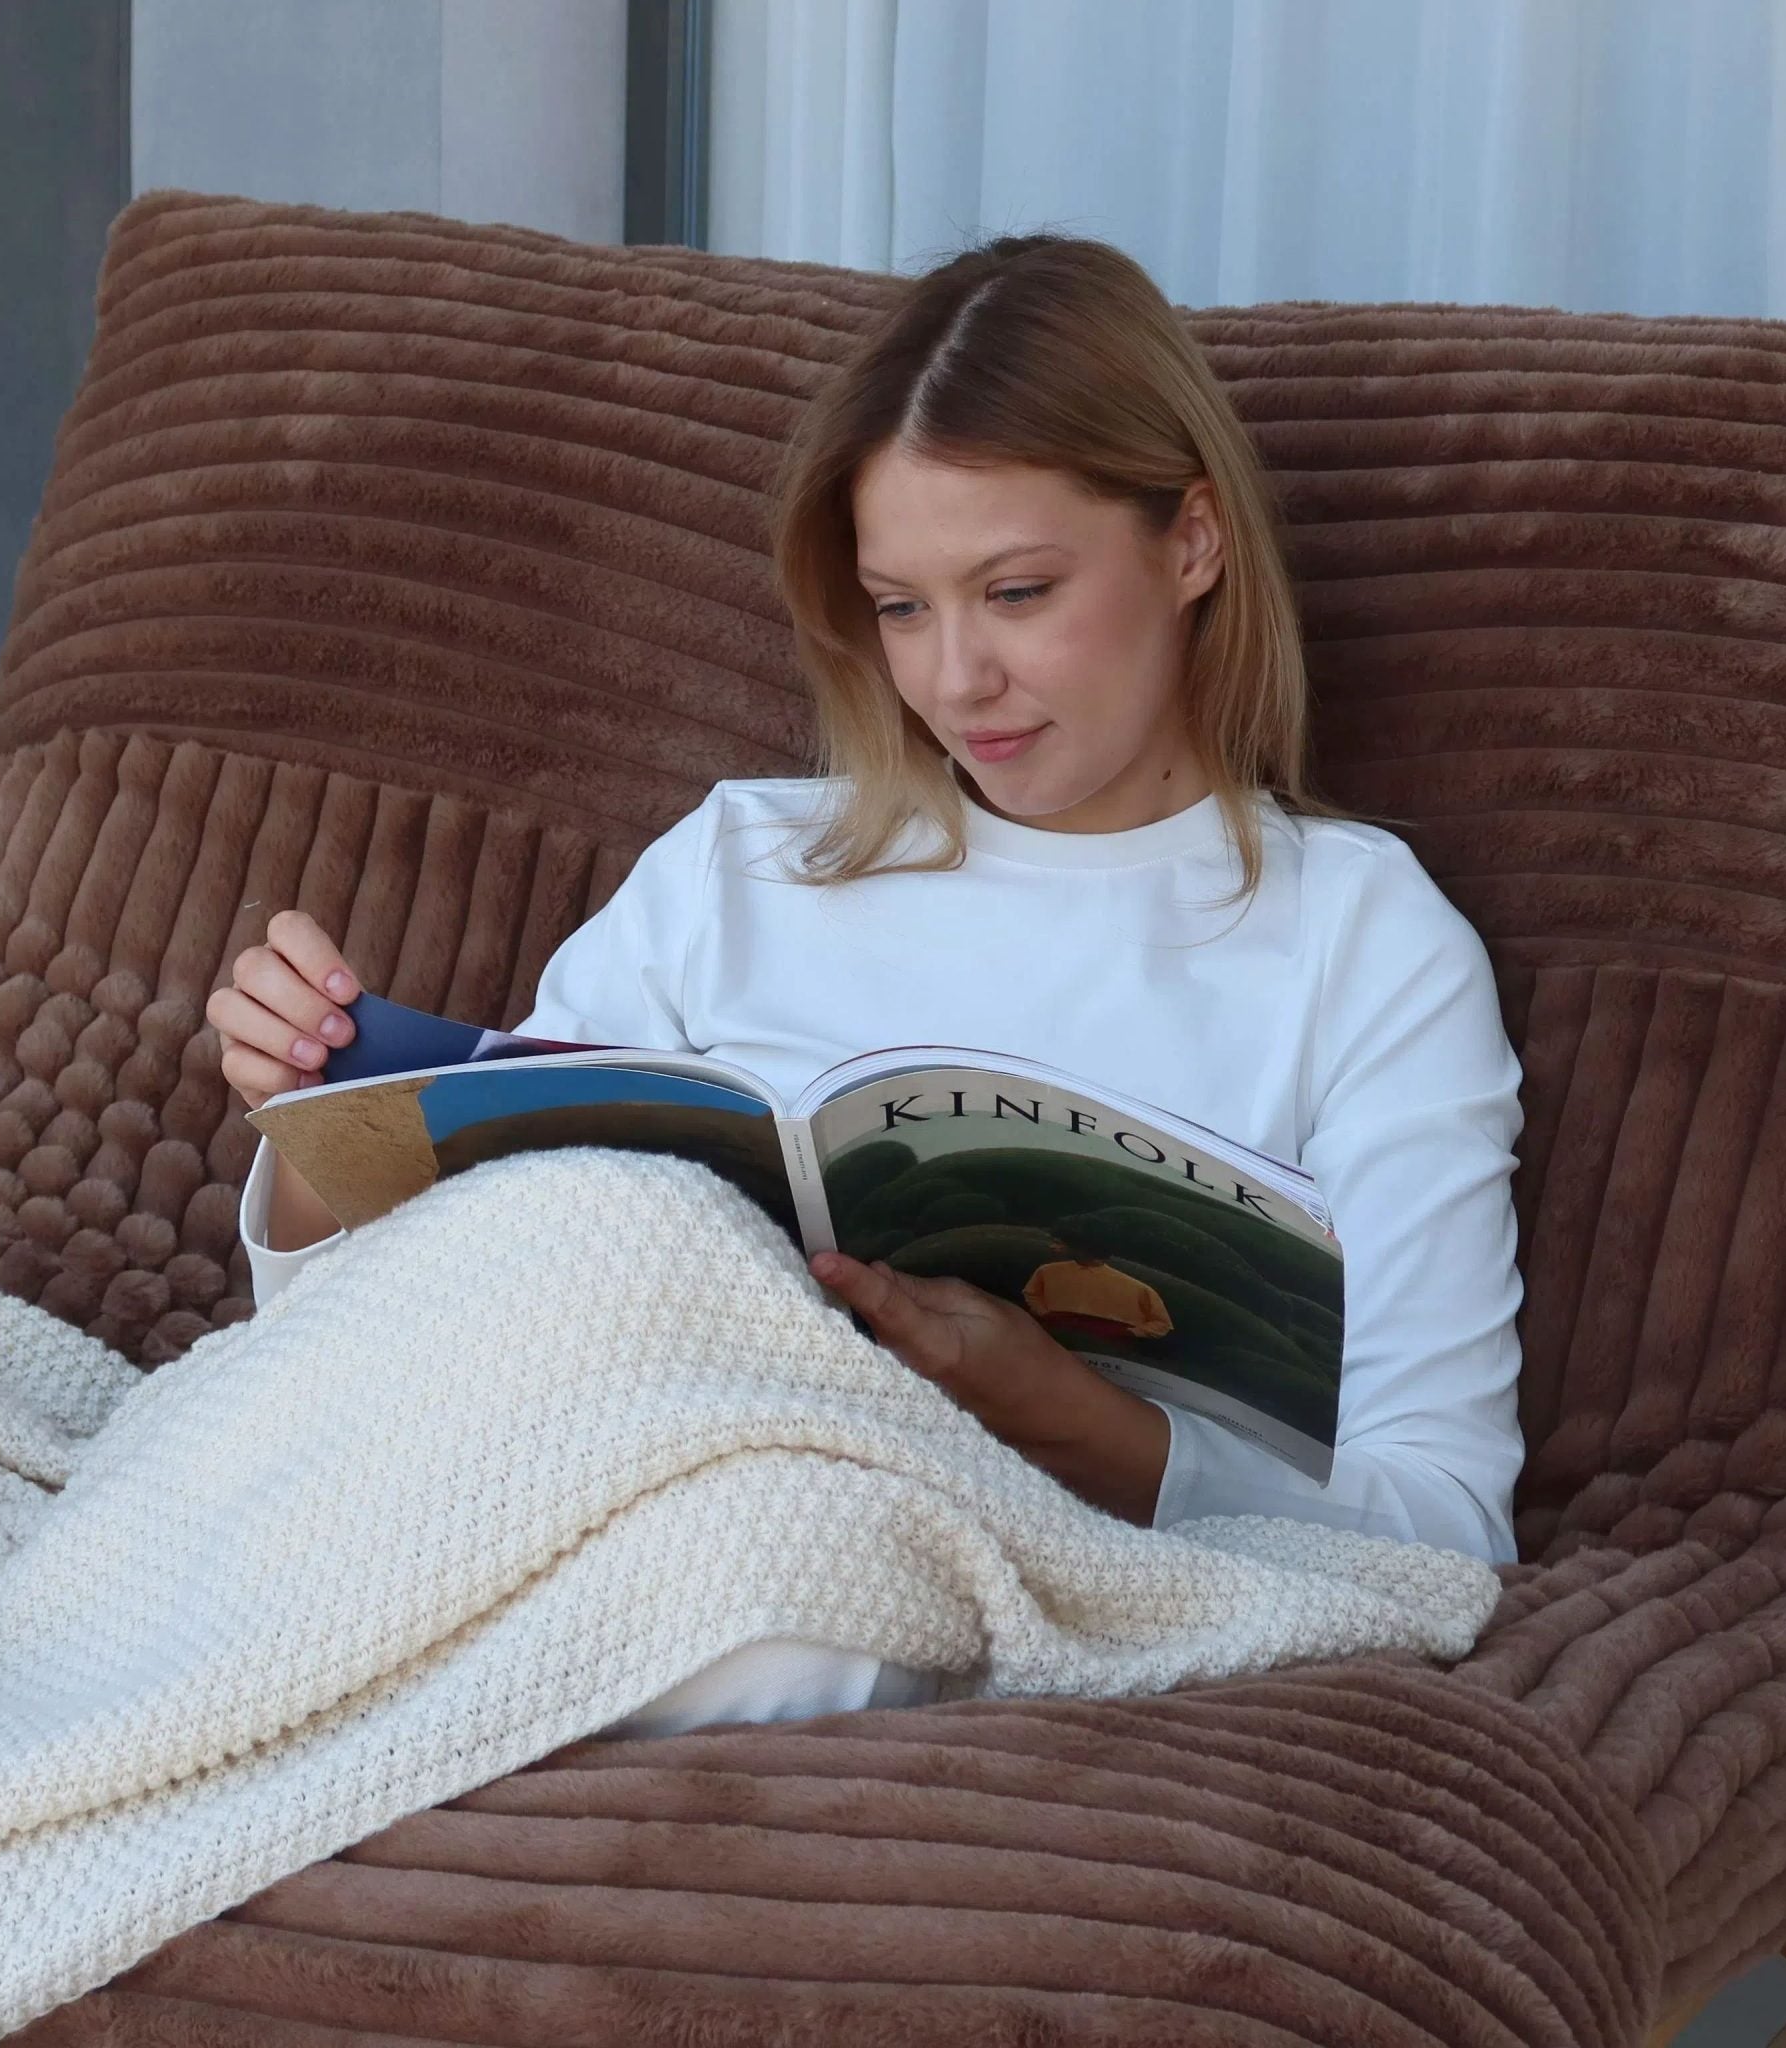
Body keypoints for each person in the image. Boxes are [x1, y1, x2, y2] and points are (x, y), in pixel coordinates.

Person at [205, 233, 1526, 1737]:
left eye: (1017, 592)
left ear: (1194, 543)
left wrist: (1071, 1421)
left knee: (789, 1624)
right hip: (520, 1473)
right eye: (901, 606)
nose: (956, 679)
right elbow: (412, 1328)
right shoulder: (744, 864)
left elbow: (1446, 1535)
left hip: (837, 1566)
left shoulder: (1364, 945)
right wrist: (320, 1125)